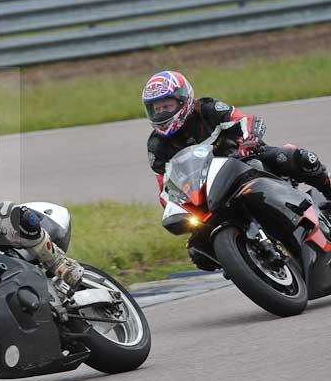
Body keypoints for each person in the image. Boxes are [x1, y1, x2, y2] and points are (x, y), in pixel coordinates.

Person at [142, 70, 331, 269]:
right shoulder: (156, 145)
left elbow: (245, 120)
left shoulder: (207, 108)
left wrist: (249, 140)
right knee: (198, 251)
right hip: (207, 192)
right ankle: (242, 263)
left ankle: (328, 190)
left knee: (298, 158)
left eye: (167, 105)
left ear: (183, 99)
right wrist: (174, 204)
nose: (162, 112)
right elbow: (165, 187)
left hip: (244, 161)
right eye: (157, 108)